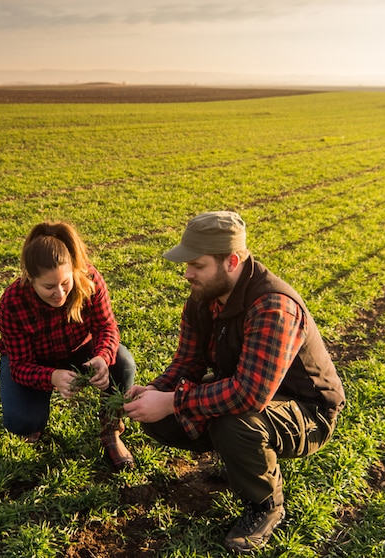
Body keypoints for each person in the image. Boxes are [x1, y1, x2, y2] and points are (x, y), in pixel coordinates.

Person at [123, 211, 345, 553]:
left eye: (197, 265)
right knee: (164, 419)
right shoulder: (202, 299)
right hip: (252, 393)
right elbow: (187, 363)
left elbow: (249, 394)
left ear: (233, 261)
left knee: (234, 423)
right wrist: (156, 390)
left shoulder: (273, 306)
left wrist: (171, 401)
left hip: (307, 410)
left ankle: (266, 506)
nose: (188, 274)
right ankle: (239, 462)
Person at [0, 221, 136, 470]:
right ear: (30, 278)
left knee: (123, 362)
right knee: (21, 422)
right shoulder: (13, 300)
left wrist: (103, 358)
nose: (60, 294)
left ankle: (111, 429)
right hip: (35, 361)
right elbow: (18, 365)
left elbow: (107, 328)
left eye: (65, 283)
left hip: (78, 349)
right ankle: (33, 422)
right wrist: (52, 377)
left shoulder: (89, 279)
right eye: (49, 287)